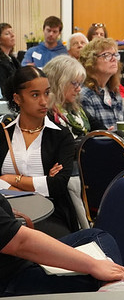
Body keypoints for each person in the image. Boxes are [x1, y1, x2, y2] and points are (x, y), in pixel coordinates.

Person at [0, 192, 124, 295]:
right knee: (94, 279)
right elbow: (19, 242)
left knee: (94, 235)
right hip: (10, 278)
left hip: (17, 258)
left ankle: (114, 284)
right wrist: (93, 265)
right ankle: (115, 286)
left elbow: (57, 182)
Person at [0, 67, 78, 237]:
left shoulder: (61, 135)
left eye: (47, 93)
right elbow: (49, 184)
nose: (44, 102)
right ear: (17, 98)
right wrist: (41, 183)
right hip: (5, 214)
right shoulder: (3, 133)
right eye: (35, 95)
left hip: (49, 214)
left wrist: (10, 179)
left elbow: (57, 185)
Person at [43, 56, 93, 139]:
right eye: (74, 83)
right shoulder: (46, 113)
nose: (79, 89)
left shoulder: (77, 110)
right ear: (58, 82)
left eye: (80, 84)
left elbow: (102, 130)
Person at [79, 38, 124, 130]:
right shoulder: (85, 95)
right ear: (91, 62)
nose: (113, 59)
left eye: (115, 55)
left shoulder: (114, 92)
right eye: (106, 55)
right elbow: (88, 135)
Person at [0, 23, 20, 90]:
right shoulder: (1, 62)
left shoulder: (12, 59)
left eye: (12, 32)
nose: (13, 35)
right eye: (7, 33)